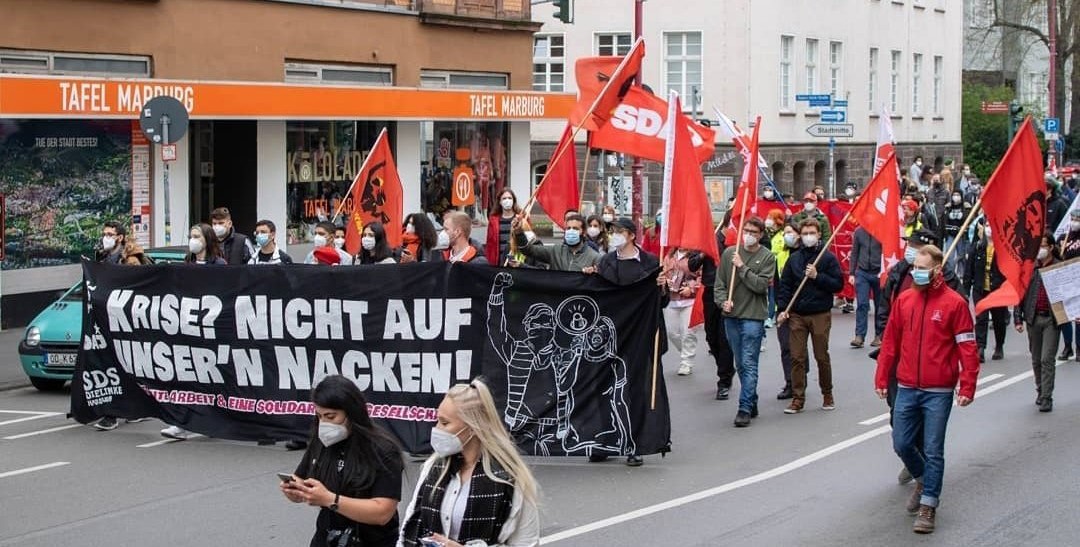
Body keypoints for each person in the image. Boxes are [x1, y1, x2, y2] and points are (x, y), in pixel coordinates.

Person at [874, 244, 979, 535]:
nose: (916, 273)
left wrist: (967, 385)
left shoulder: (954, 304)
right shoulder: (905, 300)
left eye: (921, 268)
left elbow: (967, 348)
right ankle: (922, 478)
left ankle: (928, 505)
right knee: (902, 443)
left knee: (933, 449)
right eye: (914, 268)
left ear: (936, 269)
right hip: (907, 385)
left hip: (938, 390)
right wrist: (882, 377)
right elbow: (890, 343)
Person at [398, 380, 540, 547]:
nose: (436, 429)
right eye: (437, 421)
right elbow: (410, 525)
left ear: (473, 427)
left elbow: (527, 543)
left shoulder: (509, 478)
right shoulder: (434, 467)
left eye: (445, 423)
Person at [281, 375, 404, 547]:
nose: (324, 423)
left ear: (352, 413)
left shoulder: (383, 450)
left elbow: (382, 512)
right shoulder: (321, 442)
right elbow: (302, 477)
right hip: (327, 537)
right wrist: (296, 492)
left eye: (331, 417)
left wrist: (331, 500)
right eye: (319, 416)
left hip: (370, 540)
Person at [587, 217, 666, 467]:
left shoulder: (651, 263)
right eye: (612, 232)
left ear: (632, 235)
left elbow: (660, 303)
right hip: (610, 336)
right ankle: (607, 441)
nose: (614, 236)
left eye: (619, 232)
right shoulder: (605, 262)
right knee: (604, 389)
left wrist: (661, 289)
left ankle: (635, 443)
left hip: (640, 337)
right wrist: (589, 279)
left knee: (635, 390)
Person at [776, 219, 844, 414]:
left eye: (811, 233)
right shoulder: (794, 259)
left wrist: (817, 276)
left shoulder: (827, 258)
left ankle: (827, 393)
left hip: (820, 314)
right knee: (797, 357)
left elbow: (838, 284)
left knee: (821, 356)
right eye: (805, 233)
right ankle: (798, 398)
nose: (808, 237)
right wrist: (783, 308)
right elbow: (785, 286)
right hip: (797, 314)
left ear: (818, 234)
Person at [715, 217, 775, 427]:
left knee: (749, 363)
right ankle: (752, 399)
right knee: (740, 363)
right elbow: (720, 284)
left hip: (753, 317)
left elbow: (760, 286)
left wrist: (742, 267)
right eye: (746, 230)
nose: (748, 234)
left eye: (753, 232)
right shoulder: (729, 253)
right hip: (732, 317)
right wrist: (723, 302)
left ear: (760, 235)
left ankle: (744, 408)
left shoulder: (767, 257)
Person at [93, 220, 149, 431]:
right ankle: (126, 409)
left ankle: (113, 413)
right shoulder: (103, 257)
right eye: (104, 233)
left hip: (124, 320)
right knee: (112, 365)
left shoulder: (131, 262)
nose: (105, 237)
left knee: (122, 365)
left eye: (110, 234)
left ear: (120, 238)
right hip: (106, 318)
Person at [1015, 234, 1062, 413]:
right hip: (1033, 318)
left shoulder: (1059, 267)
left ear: (1051, 247)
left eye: (1043, 246)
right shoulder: (1030, 268)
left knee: (1046, 359)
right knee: (1036, 360)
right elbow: (1020, 294)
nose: (1040, 250)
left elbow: (1070, 293)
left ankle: (1046, 397)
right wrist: (1018, 318)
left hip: (1052, 319)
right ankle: (1040, 390)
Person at [964, 222, 1008, 363]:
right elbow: (968, 270)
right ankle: (980, 348)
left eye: (992, 225)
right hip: (980, 289)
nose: (989, 228)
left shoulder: (1003, 248)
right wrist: (965, 290)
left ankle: (999, 346)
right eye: (987, 225)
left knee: (998, 320)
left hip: (997, 290)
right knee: (981, 319)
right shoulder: (977, 247)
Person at [662, 245, 703, 376]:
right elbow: (664, 272)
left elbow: (701, 277)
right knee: (671, 332)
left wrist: (691, 289)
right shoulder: (669, 256)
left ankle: (686, 362)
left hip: (690, 300)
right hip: (672, 299)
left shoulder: (695, 257)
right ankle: (685, 350)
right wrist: (665, 281)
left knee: (688, 332)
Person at [514, 213, 600, 272]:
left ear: (584, 232)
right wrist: (519, 232)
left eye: (575, 229)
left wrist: (594, 273)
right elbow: (528, 250)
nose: (571, 231)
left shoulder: (594, 257)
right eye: (568, 228)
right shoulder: (556, 251)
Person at [772, 223, 799, 399]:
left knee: (798, 349)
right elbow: (777, 282)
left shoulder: (804, 256)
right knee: (785, 347)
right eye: (785, 233)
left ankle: (799, 379)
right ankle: (790, 382)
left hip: (800, 309)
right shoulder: (781, 255)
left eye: (790, 233)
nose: (786, 236)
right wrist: (780, 307)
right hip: (782, 308)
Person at [849, 224, 882, 348]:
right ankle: (859, 336)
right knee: (862, 304)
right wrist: (851, 272)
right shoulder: (859, 232)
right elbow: (854, 253)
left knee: (880, 305)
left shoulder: (882, 231)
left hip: (878, 272)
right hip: (862, 272)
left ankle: (879, 335)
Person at [486, 189, 520, 265]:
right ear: (500, 202)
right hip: (499, 262)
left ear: (514, 201)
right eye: (504, 198)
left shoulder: (521, 218)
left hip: (517, 261)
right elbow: (490, 244)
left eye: (510, 198)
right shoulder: (493, 220)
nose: (507, 200)